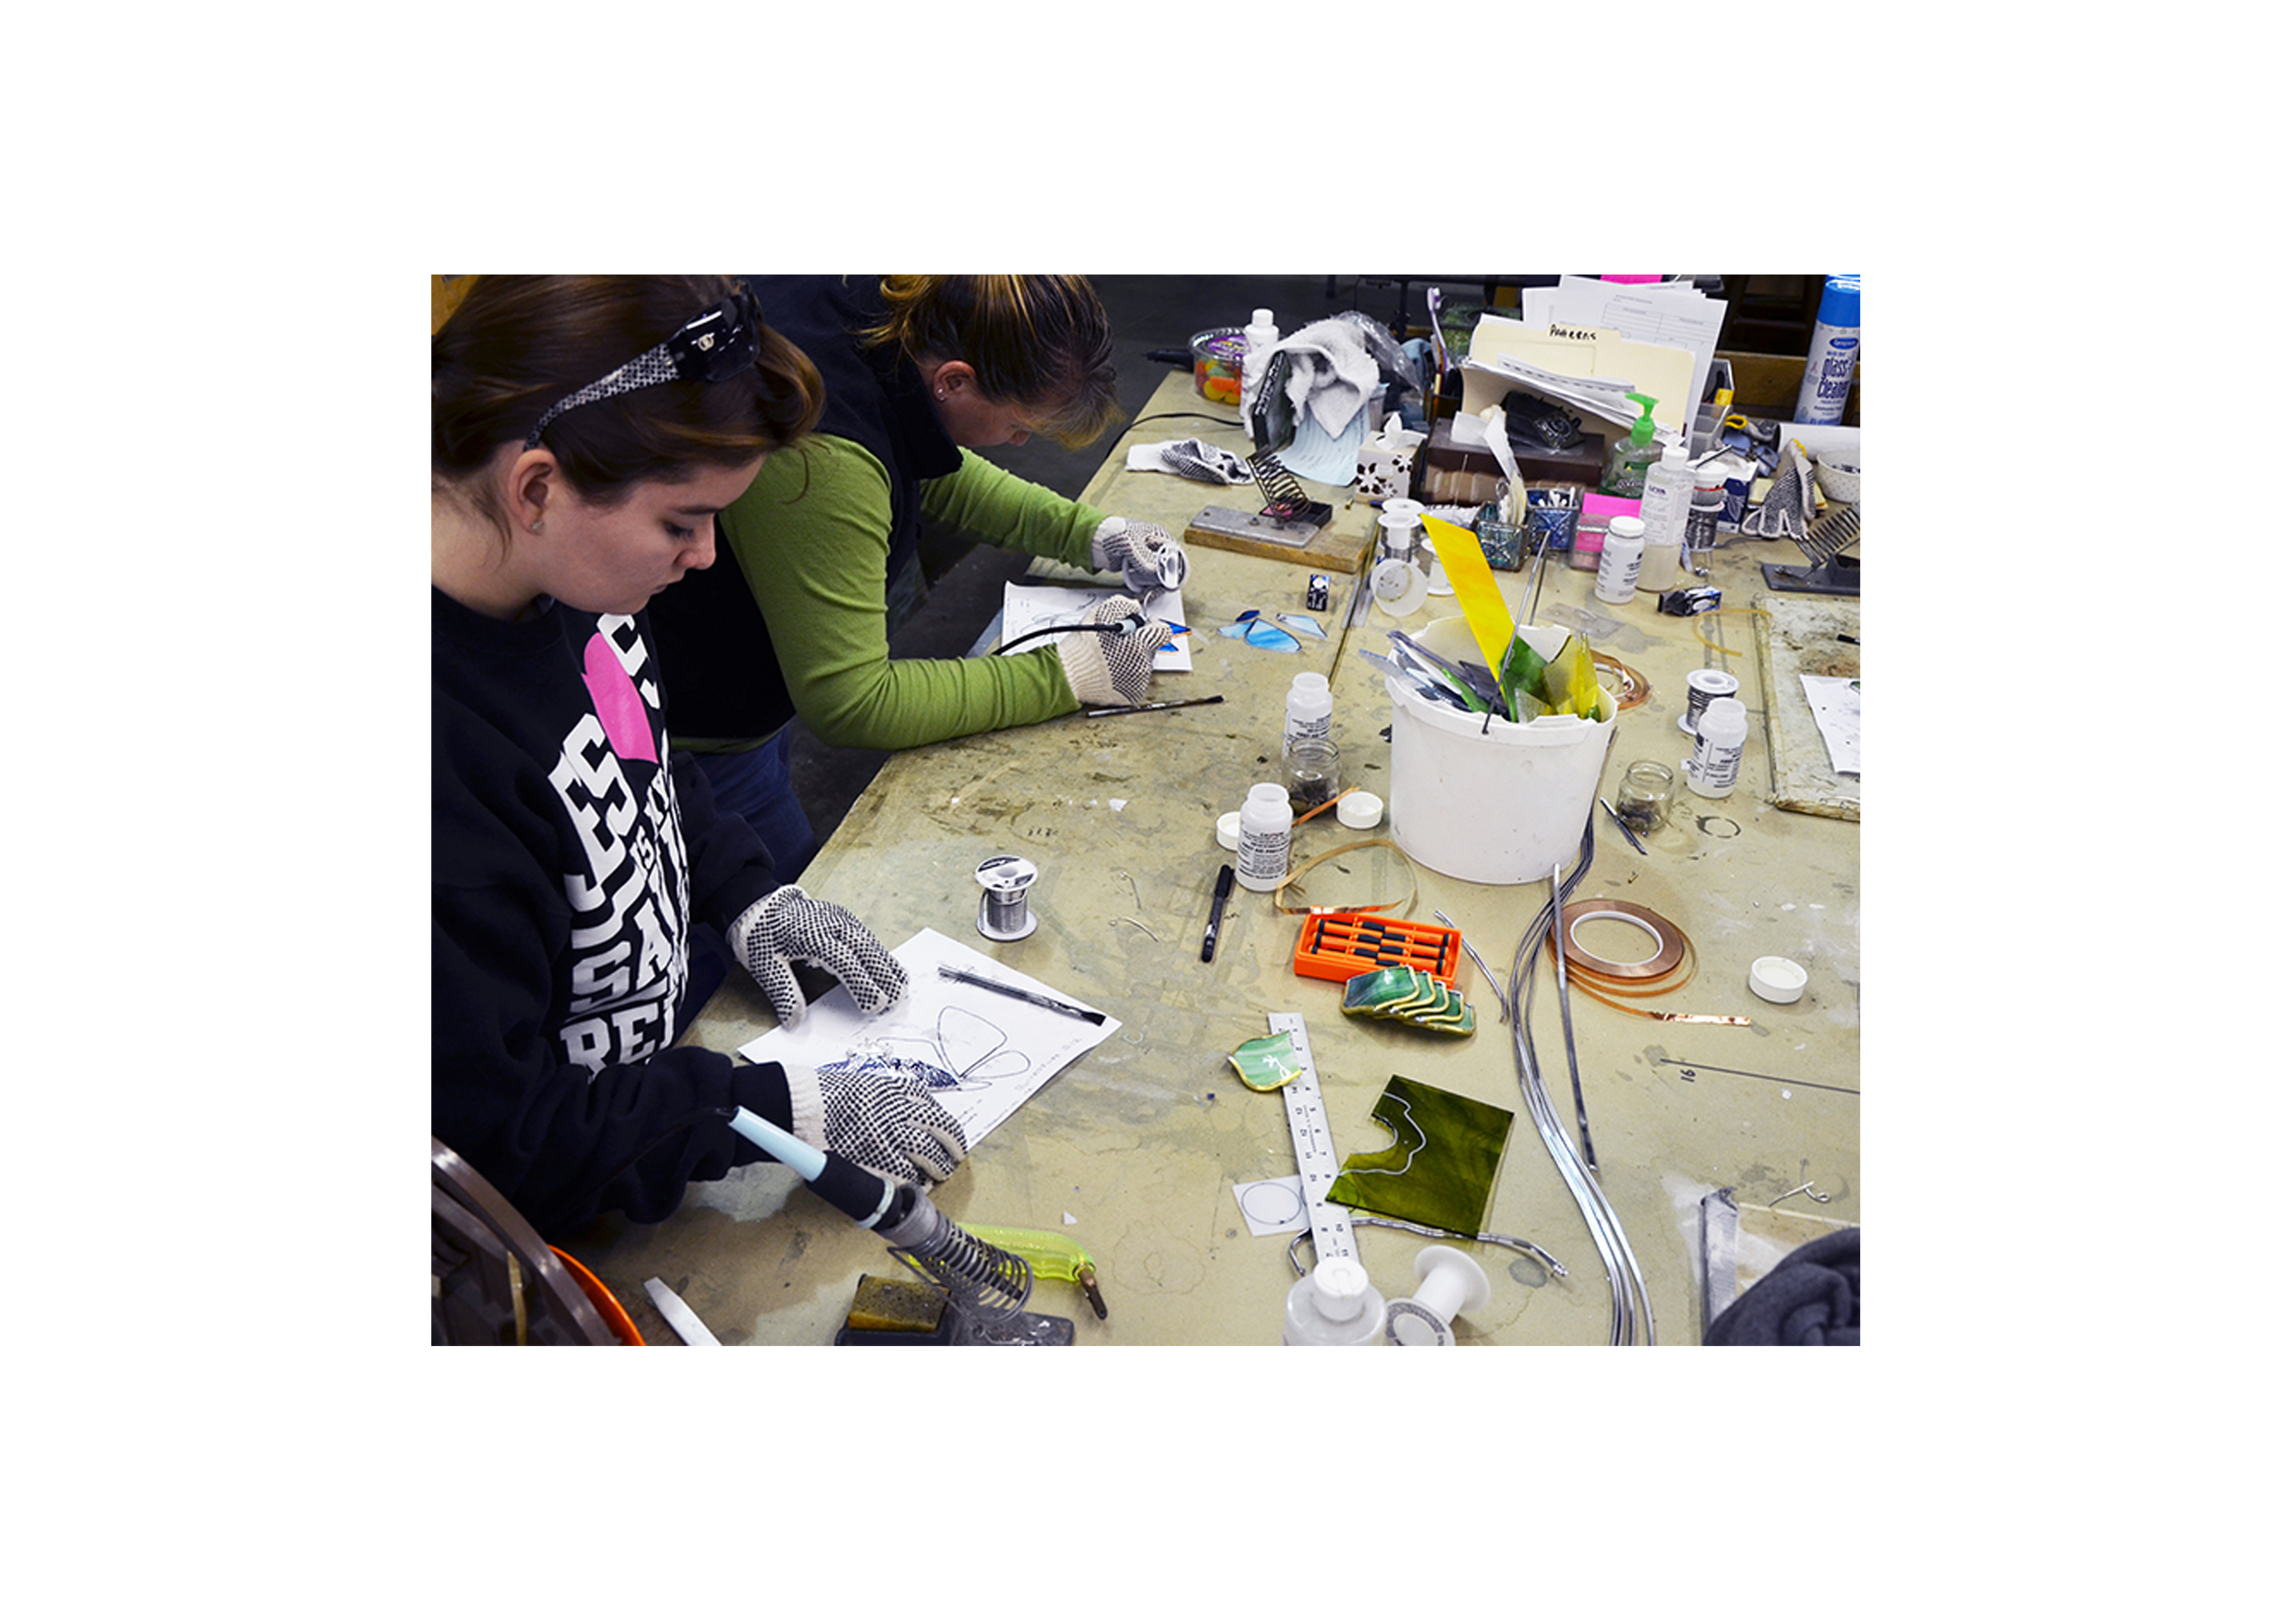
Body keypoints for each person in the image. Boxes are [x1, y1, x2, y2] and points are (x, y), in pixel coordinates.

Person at [432, 275, 971, 1241]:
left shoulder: (570, 586)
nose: (707, 556)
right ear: (538, 487)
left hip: (663, 1064)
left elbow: (645, 760)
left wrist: (741, 887)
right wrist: (759, 1110)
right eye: (681, 521)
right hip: (584, 1214)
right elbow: (505, 1145)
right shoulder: (441, 765)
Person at [645, 275, 1190, 873]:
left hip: (743, 672)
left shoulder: (895, 309)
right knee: (784, 911)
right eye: (1019, 425)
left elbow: (925, 459)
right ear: (954, 380)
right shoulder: (824, 458)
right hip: (696, 730)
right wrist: (1066, 676)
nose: (1018, 440)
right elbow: (853, 699)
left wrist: (1087, 533)